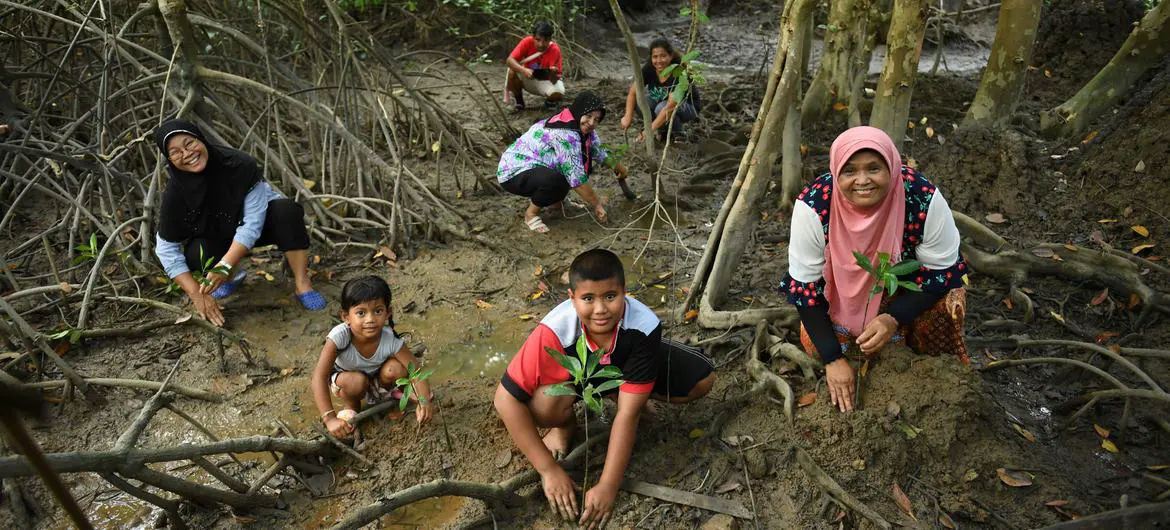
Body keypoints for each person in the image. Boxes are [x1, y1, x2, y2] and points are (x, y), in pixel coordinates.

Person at [494, 249, 716, 528]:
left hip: (624, 364)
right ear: (572, 298)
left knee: (701, 379)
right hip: (577, 378)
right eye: (588, 298)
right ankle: (564, 426)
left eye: (610, 296)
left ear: (625, 293)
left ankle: (627, 390)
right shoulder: (553, 330)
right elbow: (504, 400)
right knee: (542, 406)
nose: (600, 309)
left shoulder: (644, 325)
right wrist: (548, 470)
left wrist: (608, 485)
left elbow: (627, 416)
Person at [783, 126, 968, 413]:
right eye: (849, 171)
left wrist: (894, 318)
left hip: (906, 290)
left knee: (949, 305)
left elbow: (942, 272)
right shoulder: (814, 205)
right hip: (842, 299)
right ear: (836, 172)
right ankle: (853, 360)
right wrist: (832, 359)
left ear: (892, 167)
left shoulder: (921, 197)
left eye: (873, 168)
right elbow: (805, 289)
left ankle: (926, 370)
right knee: (815, 343)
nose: (863, 181)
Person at [153, 119, 325, 328]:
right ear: (170, 160)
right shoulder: (175, 193)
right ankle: (232, 277)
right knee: (196, 253)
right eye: (175, 152)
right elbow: (165, 248)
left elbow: (252, 224)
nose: (187, 153)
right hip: (216, 236)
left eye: (189, 143)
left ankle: (302, 282)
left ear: (201, 139)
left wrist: (224, 265)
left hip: (259, 225)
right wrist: (197, 294)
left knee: (286, 212)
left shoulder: (239, 165)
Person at [311, 275, 433, 438]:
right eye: (361, 313)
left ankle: (390, 396)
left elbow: (416, 371)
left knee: (395, 368)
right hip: (347, 381)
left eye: (378, 311)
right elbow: (319, 377)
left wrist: (424, 400)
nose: (370, 319)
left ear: (388, 312)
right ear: (346, 317)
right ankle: (352, 406)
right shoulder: (339, 337)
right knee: (356, 382)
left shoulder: (390, 339)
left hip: (378, 379)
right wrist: (330, 418)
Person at [497, 91, 627, 234]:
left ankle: (556, 202)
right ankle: (531, 214)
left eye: (596, 119)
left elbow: (598, 151)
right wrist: (597, 204)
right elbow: (576, 178)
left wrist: (620, 168)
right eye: (588, 116)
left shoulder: (582, 128)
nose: (591, 123)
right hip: (513, 172)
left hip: (538, 167)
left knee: (577, 163)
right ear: (579, 111)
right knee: (558, 178)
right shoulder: (565, 133)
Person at [619, 37, 702, 142]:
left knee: (660, 108)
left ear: (670, 56)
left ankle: (678, 134)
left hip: (688, 105)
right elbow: (633, 93)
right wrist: (627, 116)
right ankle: (662, 130)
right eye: (655, 57)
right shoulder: (649, 68)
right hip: (661, 99)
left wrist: (648, 131)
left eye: (663, 56)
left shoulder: (679, 72)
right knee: (641, 103)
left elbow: (670, 107)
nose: (658, 61)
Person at [505, 21, 565, 112]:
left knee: (558, 92)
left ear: (550, 39)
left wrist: (553, 73)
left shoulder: (554, 49)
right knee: (512, 72)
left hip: (546, 80)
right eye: (538, 40)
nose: (541, 44)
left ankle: (550, 102)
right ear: (533, 37)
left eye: (545, 41)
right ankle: (519, 103)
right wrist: (523, 70)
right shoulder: (527, 42)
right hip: (528, 76)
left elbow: (554, 78)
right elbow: (509, 60)